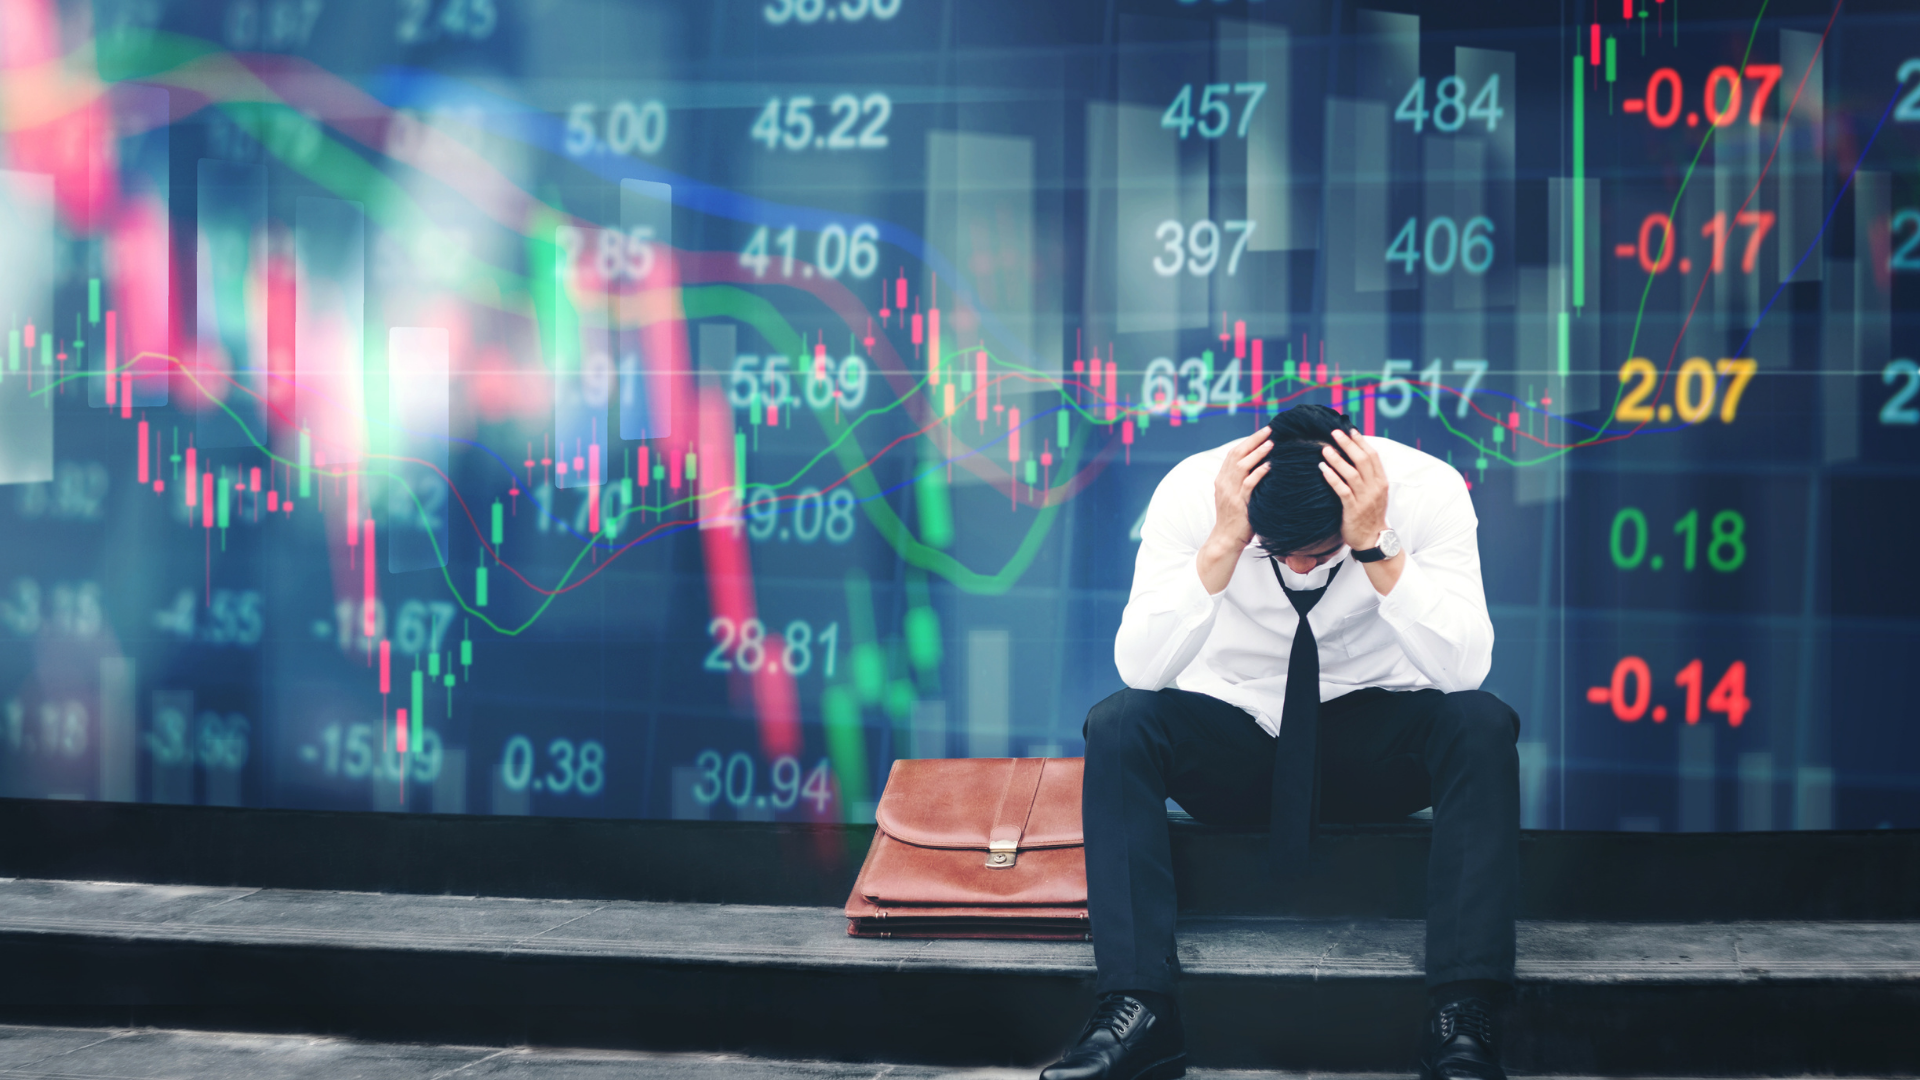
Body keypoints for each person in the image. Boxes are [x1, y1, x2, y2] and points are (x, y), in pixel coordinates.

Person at [1042, 404, 1519, 1080]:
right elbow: (1142, 670)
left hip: (1372, 746)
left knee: (1481, 722)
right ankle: (1138, 1008)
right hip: (1239, 742)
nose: (1298, 568)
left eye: (1321, 554)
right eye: (1278, 552)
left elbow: (1465, 671)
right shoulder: (1191, 492)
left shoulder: (1426, 492)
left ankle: (1462, 1017)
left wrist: (1377, 545)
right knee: (1119, 722)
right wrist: (1225, 544)